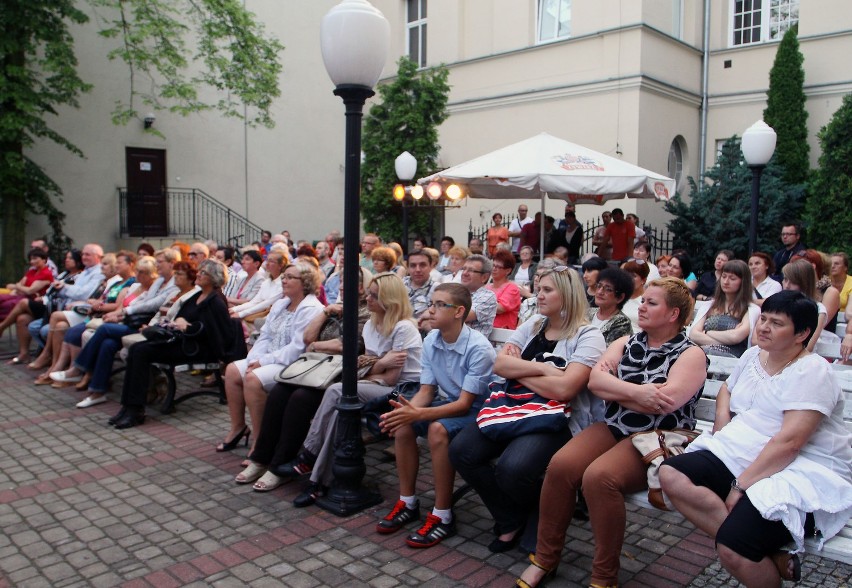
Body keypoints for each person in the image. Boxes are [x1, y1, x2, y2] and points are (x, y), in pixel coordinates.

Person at [515, 277, 707, 588]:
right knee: (561, 466)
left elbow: (664, 403)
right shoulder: (626, 342)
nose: (641, 306)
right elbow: (594, 383)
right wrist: (639, 392)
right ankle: (545, 559)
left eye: (651, 303)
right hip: (616, 426)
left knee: (599, 479)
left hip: (655, 438)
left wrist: (618, 389)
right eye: (643, 301)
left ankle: (604, 577)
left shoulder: (690, 354)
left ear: (673, 314)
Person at [661, 291, 852, 587]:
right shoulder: (753, 355)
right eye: (763, 318)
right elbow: (727, 387)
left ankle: (741, 543)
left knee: (733, 549)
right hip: (747, 449)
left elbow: (791, 443)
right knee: (672, 474)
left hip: (800, 468)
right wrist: (722, 419)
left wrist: (740, 486)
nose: (763, 327)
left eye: (777, 323)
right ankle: (769, 554)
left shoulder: (812, 371)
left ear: (802, 333)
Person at [450, 268, 605, 554]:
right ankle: (512, 518)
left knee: (514, 468)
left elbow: (565, 390)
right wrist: (546, 369)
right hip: (511, 408)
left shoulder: (589, 335)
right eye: (539, 288)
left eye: (547, 290)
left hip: (557, 418)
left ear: (568, 294)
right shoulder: (534, 324)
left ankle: (537, 515)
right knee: (462, 451)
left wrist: (519, 371)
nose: (539, 295)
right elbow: (499, 365)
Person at [269, 272, 423, 498]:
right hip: (378, 386)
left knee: (336, 391)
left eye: (374, 296)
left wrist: (372, 367)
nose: (368, 299)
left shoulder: (403, 327)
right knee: (339, 412)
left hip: (403, 391)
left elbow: (389, 377)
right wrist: (379, 364)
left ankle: (309, 455)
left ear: (389, 300)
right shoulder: (372, 323)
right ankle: (318, 482)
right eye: (369, 294)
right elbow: (365, 366)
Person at [378, 283, 497, 547]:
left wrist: (418, 412)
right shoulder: (432, 339)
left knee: (437, 429)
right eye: (431, 303)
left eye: (439, 305)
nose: (430, 310)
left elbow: (465, 404)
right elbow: (427, 389)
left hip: (479, 411)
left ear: (459, 312)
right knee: (404, 426)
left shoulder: (478, 347)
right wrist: (407, 412)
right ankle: (408, 502)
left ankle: (443, 515)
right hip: (449, 403)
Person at [239, 267, 372, 498]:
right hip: (316, 368)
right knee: (280, 391)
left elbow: (348, 345)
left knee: (300, 399)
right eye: (340, 283)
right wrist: (326, 312)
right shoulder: (334, 309)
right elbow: (307, 338)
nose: (341, 287)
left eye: (349, 284)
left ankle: (281, 465)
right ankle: (261, 457)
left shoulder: (364, 312)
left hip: (340, 374)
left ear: (362, 289)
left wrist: (317, 346)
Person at [109, 259, 240, 429]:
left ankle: (136, 409)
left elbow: (220, 335)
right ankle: (128, 406)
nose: (198, 275)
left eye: (203, 273)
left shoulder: (216, 301)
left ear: (214, 278)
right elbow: (183, 317)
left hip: (199, 349)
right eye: (199, 271)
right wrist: (177, 322)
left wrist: (189, 327)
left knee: (141, 352)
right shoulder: (197, 296)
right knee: (136, 349)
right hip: (184, 342)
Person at [222, 261, 324, 454]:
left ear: (305, 282)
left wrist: (261, 362)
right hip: (269, 357)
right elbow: (265, 335)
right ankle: (238, 427)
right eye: (284, 276)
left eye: (290, 277)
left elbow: (297, 348)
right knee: (232, 370)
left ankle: (261, 442)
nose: (284, 280)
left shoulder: (311, 308)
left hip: (293, 363)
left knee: (253, 379)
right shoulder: (281, 303)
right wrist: (255, 358)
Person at [65, 256, 164, 407]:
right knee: (107, 344)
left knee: (104, 329)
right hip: (125, 323)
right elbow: (121, 307)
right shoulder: (134, 287)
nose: (138, 275)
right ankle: (97, 392)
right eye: (137, 271)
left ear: (152, 274)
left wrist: (119, 315)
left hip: (138, 326)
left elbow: (147, 308)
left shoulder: (154, 289)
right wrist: (115, 315)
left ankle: (79, 368)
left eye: (143, 272)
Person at [8, 250, 84, 362]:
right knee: (22, 319)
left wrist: (19, 288)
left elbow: (29, 290)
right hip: (48, 306)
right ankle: (25, 354)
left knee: (24, 304)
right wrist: (43, 298)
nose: (66, 260)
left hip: (60, 310)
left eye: (70, 258)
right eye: (66, 258)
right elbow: (50, 291)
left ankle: (51, 355)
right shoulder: (63, 274)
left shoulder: (79, 276)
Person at [689, 259, 759, 358]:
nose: (726, 282)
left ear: (743, 282)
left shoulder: (751, 309)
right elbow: (694, 335)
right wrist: (727, 340)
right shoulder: (709, 306)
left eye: (732, 278)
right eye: (724, 276)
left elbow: (737, 336)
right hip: (702, 355)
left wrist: (707, 333)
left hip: (732, 360)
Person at [781, 259, 833, 352]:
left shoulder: (818, 309)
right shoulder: (777, 305)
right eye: (785, 279)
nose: (787, 286)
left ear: (805, 283)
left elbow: (808, 346)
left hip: (801, 360)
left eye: (793, 282)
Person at [0, 249, 54, 326]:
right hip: (21, 296)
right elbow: (14, 286)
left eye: (35, 258)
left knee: (7, 305)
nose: (32, 261)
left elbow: (30, 291)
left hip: (34, 301)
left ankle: (2, 326)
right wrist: (20, 287)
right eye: (31, 259)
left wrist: (19, 287)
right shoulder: (32, 272)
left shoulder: (46, 273)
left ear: (44, 260)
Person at [230, 250, 286, 323]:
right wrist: (234, 310)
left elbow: (266, 304)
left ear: (280, 265)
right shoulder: (266, 282)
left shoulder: (283, 283)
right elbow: (254, 302)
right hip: (259, 314)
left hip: (271, 318)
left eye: (271, 261)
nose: (267, 263)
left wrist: (241, 314)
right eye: (267, 260)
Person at [587, 268, 634, 345]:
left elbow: (609, 352)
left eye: (608, 289)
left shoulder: (622, 322)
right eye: (599, 286)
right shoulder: (588, 312)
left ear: (620, 297)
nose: (600, 292)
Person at [458, 254, 497, 337]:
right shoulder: (455, 292)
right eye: (464, 269)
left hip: (470, 347)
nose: (464, 273)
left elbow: (460, 316)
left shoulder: (487, 297)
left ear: (484, 277)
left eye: (471, 270)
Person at [487, 250, 522, 330]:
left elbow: (499, 309)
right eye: (493, 265)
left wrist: (480, 305)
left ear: (508, 271)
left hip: (502, 334)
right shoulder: (487, 287)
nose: (494, 269)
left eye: (498, 267)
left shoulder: (512, 288)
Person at [518, 259, 557, 326]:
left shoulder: (556, 305)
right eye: (536, 274)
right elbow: (518, 330)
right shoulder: (527, 303)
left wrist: (527, 294)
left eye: (541, 276)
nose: (536, 279)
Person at [403, 249, 436, 322]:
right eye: (413, 265)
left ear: (431, 267)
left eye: (422, 265)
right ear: (407, 268)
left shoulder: (438, 290)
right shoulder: (398, 285)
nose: (418, 270)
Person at [620, 260, 650, 333]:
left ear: (644, 280)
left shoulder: (647, 301)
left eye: (633, 276)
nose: (629, 278)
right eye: (626, 274)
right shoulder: (619, 297)